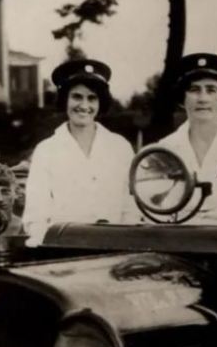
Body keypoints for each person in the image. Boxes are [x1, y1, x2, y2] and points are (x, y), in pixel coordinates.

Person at [22, 59, 134, 244]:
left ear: (101, 102)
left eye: (92, 98)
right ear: (65, 99)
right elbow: (35, 218)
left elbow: (131, 207)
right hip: (64, 252)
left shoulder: (120, 147)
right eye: (76, 96)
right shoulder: (46, 150)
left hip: (115, 249)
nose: (84, 105)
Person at [150, 53, 217, 225]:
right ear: (182, 99)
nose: (203, 98)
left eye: (211, 90)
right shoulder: (167, 148)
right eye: (194, 90)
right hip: (180, 241)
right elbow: (156, 208)